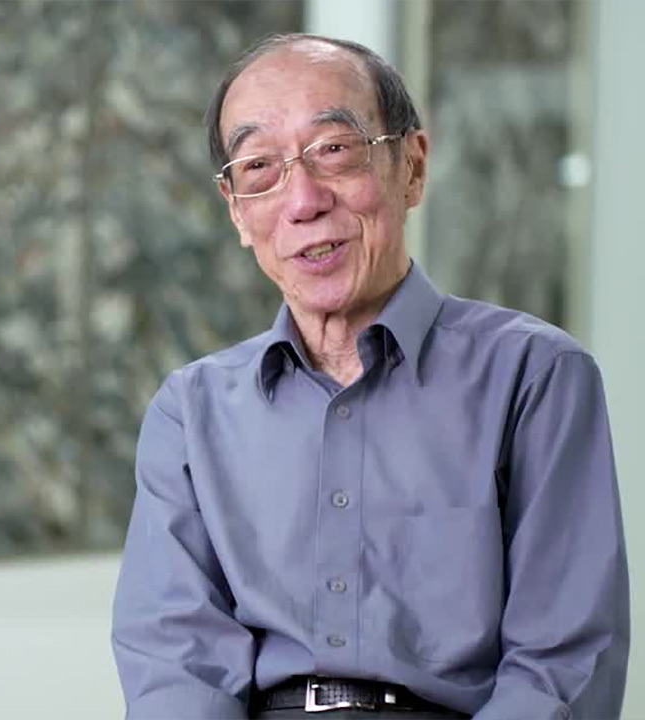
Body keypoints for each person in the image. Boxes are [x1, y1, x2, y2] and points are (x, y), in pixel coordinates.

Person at [110, 33, 629, 720]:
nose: (303, 200)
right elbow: (176, 670)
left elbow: (563, 665)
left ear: (412, 167)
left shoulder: (535, 376)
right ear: (237, 210)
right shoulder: (191, 411)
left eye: (334, 149)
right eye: (259, 166)